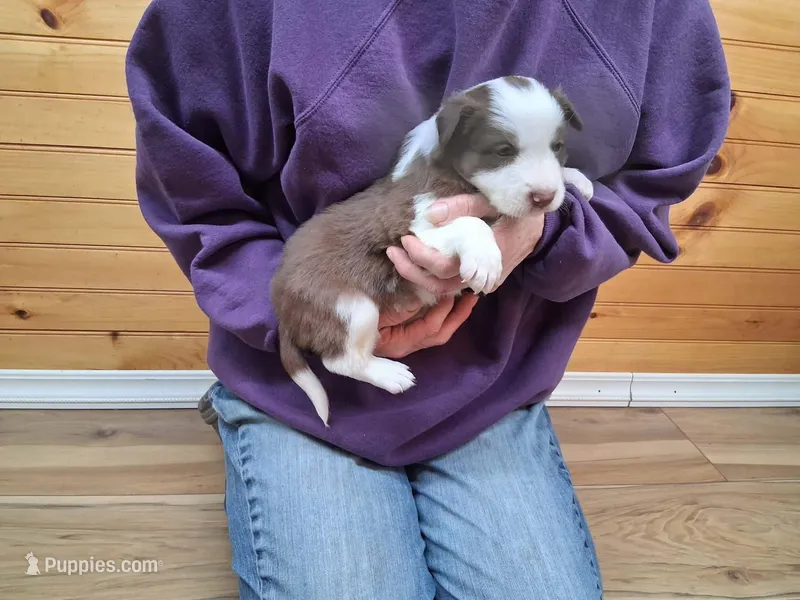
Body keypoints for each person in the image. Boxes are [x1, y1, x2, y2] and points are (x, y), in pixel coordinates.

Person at [125, 0, 730, 597]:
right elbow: (195, 193)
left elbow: (653, 181)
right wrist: (285, 318)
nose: (544, 177)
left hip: (490, 384)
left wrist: (546, 234)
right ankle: (249, 411)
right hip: (305, 374)